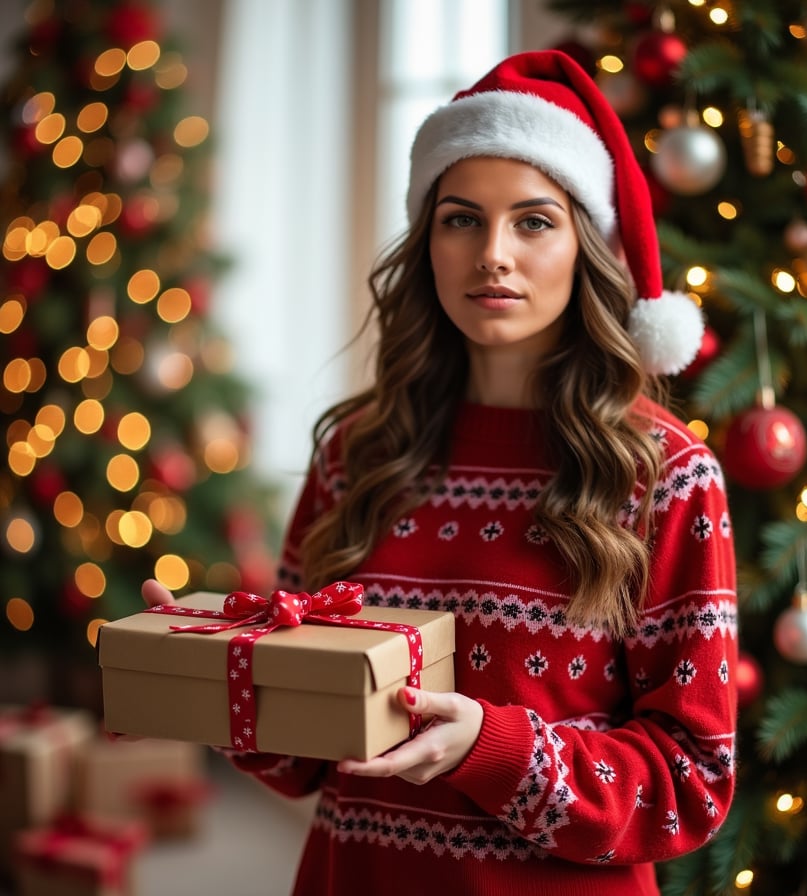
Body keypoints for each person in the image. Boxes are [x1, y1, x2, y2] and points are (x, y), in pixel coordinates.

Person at [143, 49, 737, 896]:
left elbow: (693, 784)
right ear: (428, 244)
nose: (493, 253)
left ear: (586, 248)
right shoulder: (357, 454)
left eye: (534, 222)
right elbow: (305, 765)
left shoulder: (667, 476)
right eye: (461, 219)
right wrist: (217, 683)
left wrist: (492, 749)